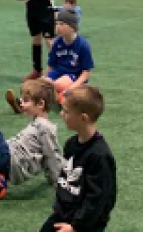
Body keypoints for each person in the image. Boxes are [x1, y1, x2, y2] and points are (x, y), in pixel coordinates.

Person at [41, 85, 116, 232]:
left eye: (66, 111)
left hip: (85, 224)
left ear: (83, 118)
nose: (62, 114)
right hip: (63, 216)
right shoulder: (71, 144)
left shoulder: (100, 155)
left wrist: (76, 226)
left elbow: (98, 199)